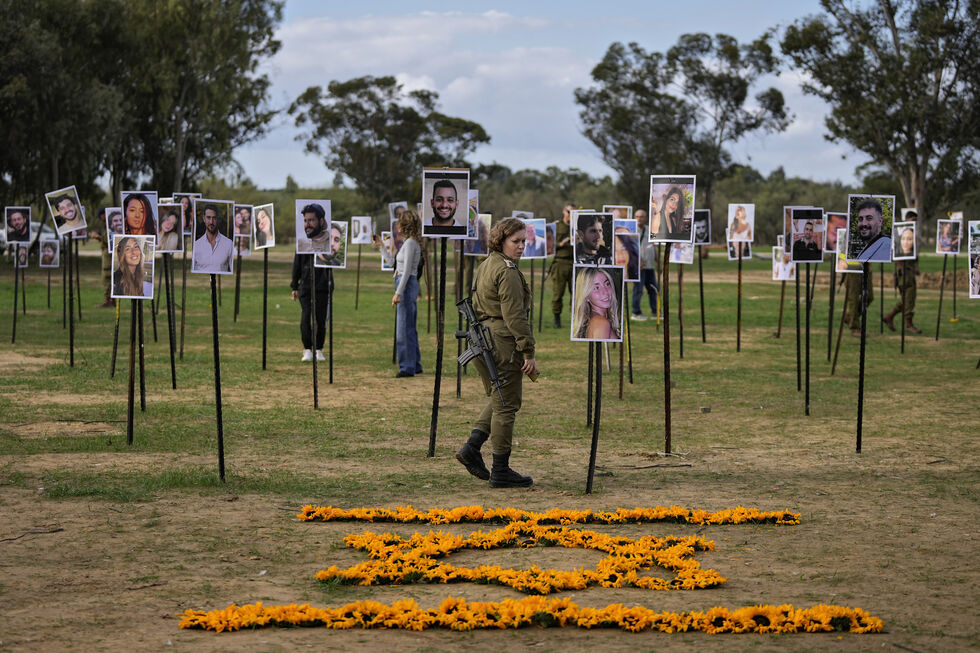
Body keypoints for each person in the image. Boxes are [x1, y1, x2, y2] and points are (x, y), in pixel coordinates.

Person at [456, 217, 537, 488]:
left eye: (524, 241)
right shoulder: (507, 270)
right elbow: (515, 316)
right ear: (501, 240)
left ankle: (472, 446)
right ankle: (500, 470)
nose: (522, 246)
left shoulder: (486, 264)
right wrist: (528, 350)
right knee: (506, 405)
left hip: (484, 339)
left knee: (500, 395)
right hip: (501, 341)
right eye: (516, 241)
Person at [391, 210, 423, 377]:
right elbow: (395, 265)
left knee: (403, 328)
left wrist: (398, 292)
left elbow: (408, 271)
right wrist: (382, 247)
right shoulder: (408, 243)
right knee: (409, 326)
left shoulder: (410, 244)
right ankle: (415, 363)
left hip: (406, 284)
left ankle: (407, 367)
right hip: (406, 283)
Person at [290, 249, 333, 362]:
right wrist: (294, 285)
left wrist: (330, 285)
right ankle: (307, 349)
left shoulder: (327, 242)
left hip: (323, 286)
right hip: (306, 285)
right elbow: (297, 264)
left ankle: (319, 349)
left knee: (321, 318)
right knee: (306, 316)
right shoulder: (302, 242)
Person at [883, 225, 920, 334]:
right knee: (908, 298)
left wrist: (916, 268)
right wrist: (901, 267)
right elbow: (896, 253)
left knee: (908, 299)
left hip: (909, 271)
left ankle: (889, 316)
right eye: (913, 219)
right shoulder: (901, 233)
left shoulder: (911, 233)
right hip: (904, 273)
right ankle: (908, 325)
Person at [573, 267, 621, 340]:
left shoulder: (596, 319)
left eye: (607, 284)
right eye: (596, 288)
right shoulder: (601, 323)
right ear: (586, 296)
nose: (605, 292)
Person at [550, 203, 574, 327]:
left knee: (575, 293)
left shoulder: (578, 226)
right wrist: (560, 244)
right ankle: (557, 318)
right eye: (569, 212)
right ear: (564, 211)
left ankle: (575, 318)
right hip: (560, 262)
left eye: (574, 213)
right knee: (558, 292)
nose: (571, 215)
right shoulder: (556, 226)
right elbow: (548, 245)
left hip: (574, 262)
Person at [192, 204, 234, 273]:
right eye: (208, 217)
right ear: (204, 219)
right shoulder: (196, 245)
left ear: (218, 219)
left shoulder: (229, 244)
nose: (211, 222)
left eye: (214, 218)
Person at [843, 267, 874, 337]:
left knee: (869, 296)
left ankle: (849, 317)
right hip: (853, 267)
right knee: (854, 299)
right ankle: (855, 327)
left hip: (866, 267)